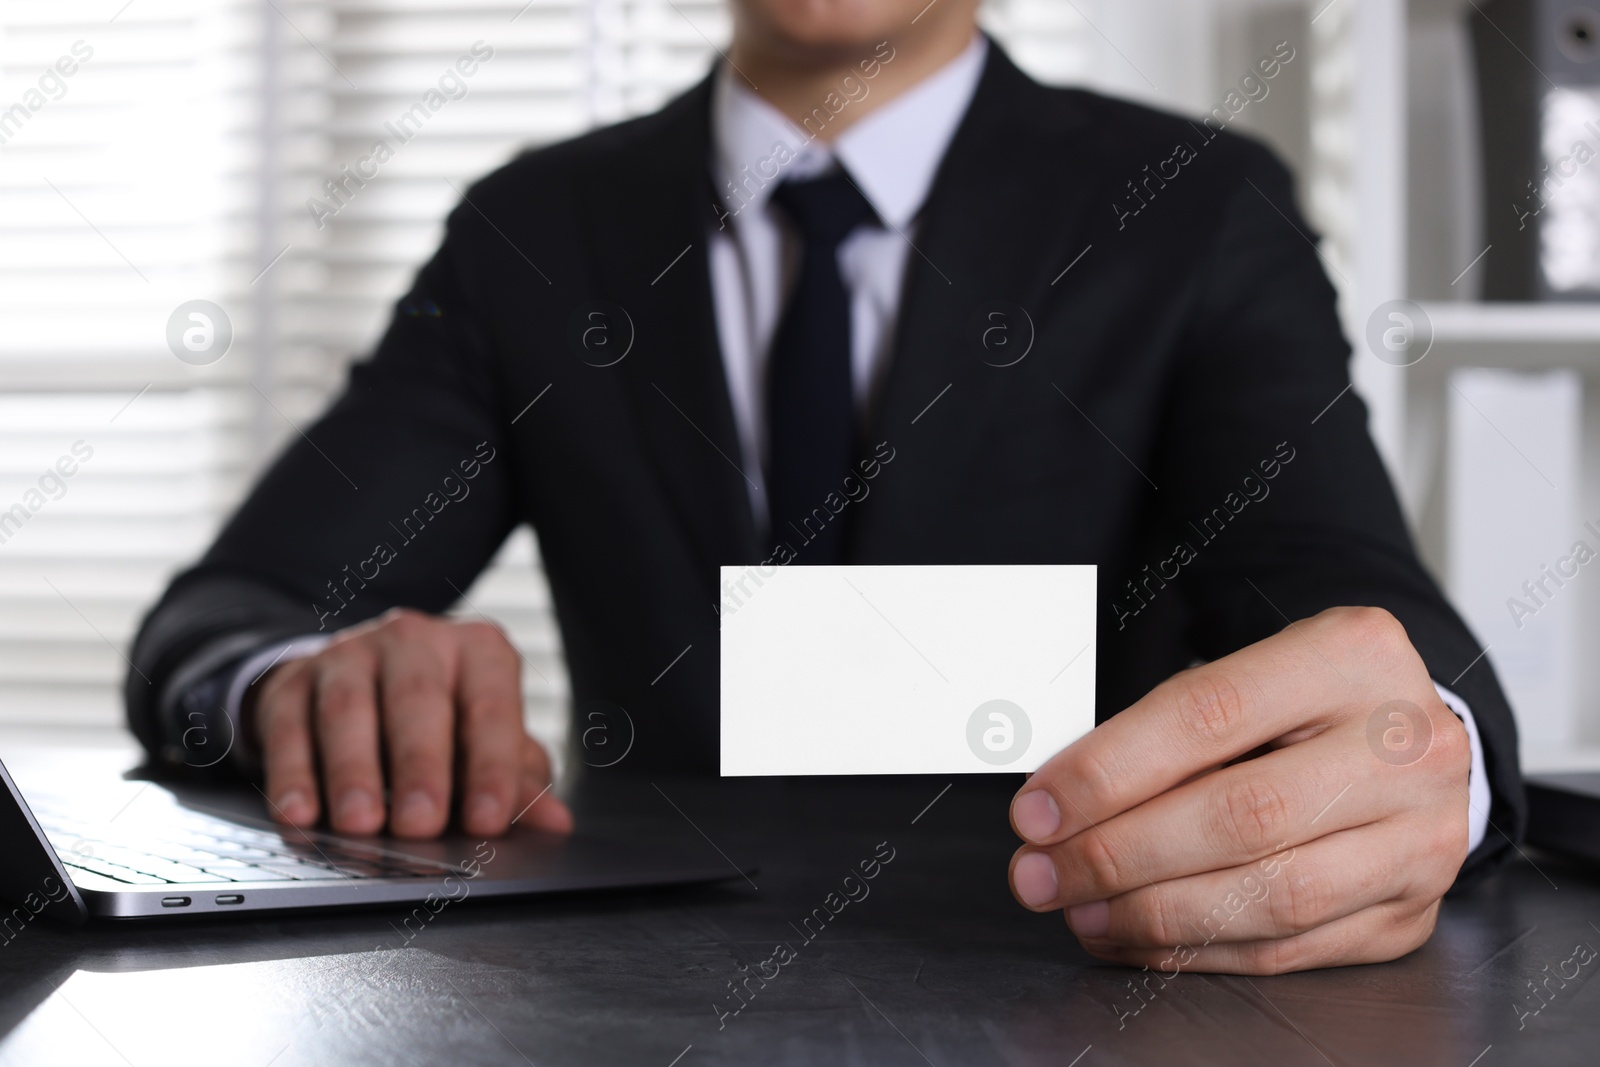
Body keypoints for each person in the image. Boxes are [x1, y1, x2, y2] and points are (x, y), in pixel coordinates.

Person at [127, 0, 1524, 975]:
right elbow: (238, 610)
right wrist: (305, 679)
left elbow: (1357, 604)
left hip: (1066, 973)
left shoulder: (1198, 206)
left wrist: (1418, 758)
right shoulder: (536, 231)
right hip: (620, 995)